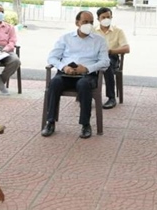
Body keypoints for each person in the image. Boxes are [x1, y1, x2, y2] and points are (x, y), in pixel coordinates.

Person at [42, 11, 110, 139]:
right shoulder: (65, 38)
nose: (88, 25)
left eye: (91, 22)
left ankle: (85, 124)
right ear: (77, 23)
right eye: (85, 22)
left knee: (83, 85)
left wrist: (87, 69)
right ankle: (50, 122)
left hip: (87, 75)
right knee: (55, 83)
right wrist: (64, 67)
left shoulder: (99, 40)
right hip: (66, 74)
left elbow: (105, 62)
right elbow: (52, 58)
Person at [94, 7, 130, 109]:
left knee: (107, 64)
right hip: (95, 57)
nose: (106, 19)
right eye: (103, 17)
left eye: (108, 17)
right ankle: (85, 94)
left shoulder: (118, 31)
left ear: (111, 17)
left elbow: (126, 48)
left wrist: (110, 51)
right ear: (98, 19)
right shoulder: (92, 31)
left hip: (111, 57)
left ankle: (111, 98)